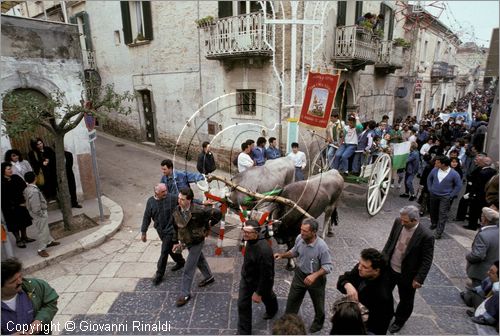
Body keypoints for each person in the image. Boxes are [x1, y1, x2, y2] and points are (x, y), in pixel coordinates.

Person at [274, 218, 333, 333]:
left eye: (305, 231)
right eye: (301, 230)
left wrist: (314, 276)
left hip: (316, 280)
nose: (302, 233)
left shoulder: (322, 247)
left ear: (313, 232)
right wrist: (282, 255)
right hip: (300, 275)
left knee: (318, 303)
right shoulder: (299, 238)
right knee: (292, 300)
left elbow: (328, 266)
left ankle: (318, 322)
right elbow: (295, 251)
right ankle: (289, 323)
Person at [382, 205, 435, 333]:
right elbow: (391, 240)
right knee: (384, 292)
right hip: (391, 267)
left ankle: (399, 321)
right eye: (402, 219)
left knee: (406, 300)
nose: (402, 222)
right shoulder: (398, 222)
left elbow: (427, 260)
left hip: (408, 274)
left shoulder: (426, 235)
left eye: (405, 221)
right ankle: (386, 314)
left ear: (415, 220)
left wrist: (419, 278)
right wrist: (383, 258)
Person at [172, 188, 222, 307]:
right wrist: (176, 241)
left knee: (188, 268)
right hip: (186, 240)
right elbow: (175, 226)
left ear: (189, 200)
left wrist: (208, 226)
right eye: (179, 198)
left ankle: (185, 294)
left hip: (197, 241)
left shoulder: (199, 211)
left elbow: (218, 213)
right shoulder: (176, 209)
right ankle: (209, 277)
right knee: (200, 260)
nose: (179, 201)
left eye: (182, 199)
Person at [337, 248, 394, 335]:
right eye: (360, 263)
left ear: (376, 270)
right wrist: (347, 284)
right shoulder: (361, 268)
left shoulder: (383, 295)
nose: (359, 268)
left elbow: (381, 324)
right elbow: (343, 279)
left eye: (364, 267)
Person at [238, 220, 278, 334]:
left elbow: (267, 276)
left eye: (247, 233)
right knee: (242, 305)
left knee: (267, 296)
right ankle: (244, 332)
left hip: (260, 282)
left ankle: (272, 310)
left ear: (256, 233)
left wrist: (259, 293)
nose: (244, 235)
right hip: (246, 278)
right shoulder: (249, 238)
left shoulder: (264, 250)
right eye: (243, 231)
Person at [141, 183, 186, 286]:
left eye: (166, 190)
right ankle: (180, 262)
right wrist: (144, 232)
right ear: (156, 193)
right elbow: (146, 217)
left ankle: (159, 275)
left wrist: (202, 202)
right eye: (163, 192)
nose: (166, 193)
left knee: (164, 251)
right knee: (171, 248)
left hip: (171, 230)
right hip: (161, 231)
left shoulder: (172, 198)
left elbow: (186, 200)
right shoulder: (151, 202)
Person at [1, 258, 59, 335]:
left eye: (20, 276)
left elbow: (51, 303)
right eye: (13, 281)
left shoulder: (35, 286)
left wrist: (40, 320)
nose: (20, 281)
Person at [23, 172, 60, 258]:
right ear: (35, 178)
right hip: (39, 213)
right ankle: (41, 249)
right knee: (42, 231)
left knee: (44, 228)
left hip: (35, 213)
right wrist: (41, 213)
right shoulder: (34, 191)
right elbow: (35, 206)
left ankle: (49, 242)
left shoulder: (27, 189)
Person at [427, 155, 462, 239]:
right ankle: (434, 223)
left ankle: (439, 232)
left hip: (445, 197)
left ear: (443, 164)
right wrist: (430, 189)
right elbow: (429, 179)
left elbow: (458, 185)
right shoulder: (434, 170)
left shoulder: (454, 174)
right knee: (432, 210)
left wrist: (451, 195)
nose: (435, 163)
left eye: (438, 162)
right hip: (433, 194)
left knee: (442, 214)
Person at [1, 162, 34, 249]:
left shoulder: (16, 177)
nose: (11, 170)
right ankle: (18, 239)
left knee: (24, 221)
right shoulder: (1, 182)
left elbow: (24, 187)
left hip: (21, 204)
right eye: (8, 169)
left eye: (10, 168)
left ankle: (24, 237)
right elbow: (3, 197)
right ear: (3, 171)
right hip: (9, 207)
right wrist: (15, 204)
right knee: (14, 224)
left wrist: (25, 200)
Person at [466, 207, 499, 287]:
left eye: (481, 216)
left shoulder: (483, 235)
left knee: (476, 294)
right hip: (494, 272)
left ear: (485, 219)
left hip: (481, 273)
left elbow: (477, 255)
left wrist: (468, 256)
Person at [463, 155, 496, 231]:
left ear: (485, 163)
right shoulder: (493, 171)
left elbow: (477, 185)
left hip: (478, 195)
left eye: (481, 161)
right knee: (480, 211)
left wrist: (471, 194)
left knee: (474, 211)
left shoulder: (482, 172)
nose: (479, 162)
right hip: (485, 195)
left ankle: (472, 226)